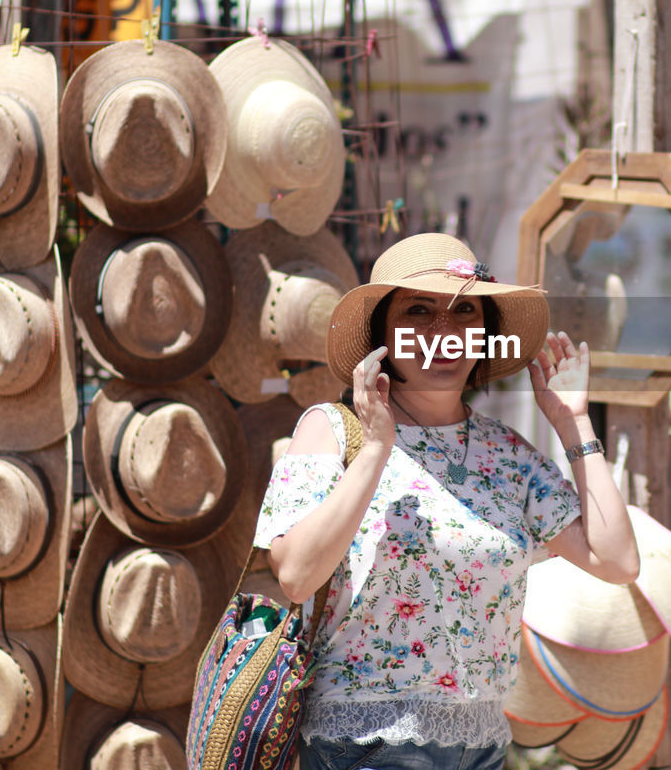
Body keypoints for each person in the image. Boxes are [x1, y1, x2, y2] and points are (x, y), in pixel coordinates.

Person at [253, 233, 640, 770]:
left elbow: (617, 560)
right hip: (369, 743)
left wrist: (574, 423)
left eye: (464, 312)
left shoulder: (507, 453)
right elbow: (295, 574)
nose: (444, 332)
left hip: (481, 745)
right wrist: (377, 448)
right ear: (381, 335)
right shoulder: (332, 433)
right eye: (419, 310)